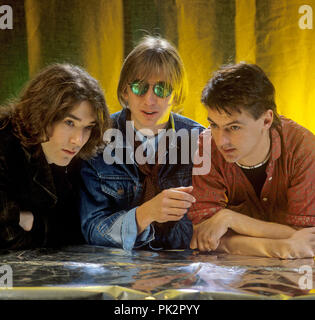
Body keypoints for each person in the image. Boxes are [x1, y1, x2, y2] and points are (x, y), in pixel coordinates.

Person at [79, 36, 205, 251]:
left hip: (181, 269)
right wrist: (144, 214)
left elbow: (205, 224)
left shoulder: (199, 140)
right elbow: (91, 227)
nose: (149, 100)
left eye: (162, 89)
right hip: (116, 272)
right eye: (139, 87)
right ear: (125, 92)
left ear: (176, 94)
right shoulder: (98, 138)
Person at [188, 62, 315, 259]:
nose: (221, 140)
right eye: (214, 125)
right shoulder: (206, 146)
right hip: (235, 277)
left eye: (234, 127)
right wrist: (279, 248)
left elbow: (307, 240)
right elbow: (204, 237)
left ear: (266, 120)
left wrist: (230, 219)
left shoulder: (303, 148)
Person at [0, 63, 110, 249]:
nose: (78, 140)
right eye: (69, 122)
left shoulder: (81, 158)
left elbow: (74, 233)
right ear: (43, 113)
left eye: (88, 127)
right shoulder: (4, 142)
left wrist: (30, 221)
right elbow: (6, 236)